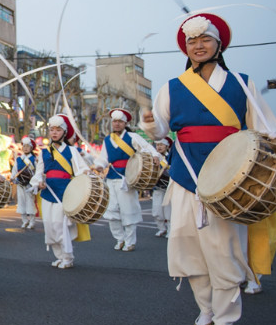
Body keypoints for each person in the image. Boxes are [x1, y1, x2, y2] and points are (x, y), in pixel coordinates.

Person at [140, 12, 276, 325]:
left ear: (219, 45)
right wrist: (149, 123)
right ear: (186, 48)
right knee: (189, 250)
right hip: (185, 177)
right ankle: (205, 311)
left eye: (205, 39)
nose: (198, 45)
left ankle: (225, 321)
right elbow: (160, 131)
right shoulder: (172, 87)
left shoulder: (242, 83)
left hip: (230, 180)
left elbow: (267, 129)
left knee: (225, 251)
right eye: (192, 41)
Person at [93, 108, 161, 252]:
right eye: (114, 121)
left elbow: (146, 147)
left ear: (125, 123)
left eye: (120, 121)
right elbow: (103, 158)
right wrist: (99, 166)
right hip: (112, 176)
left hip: (128, 177)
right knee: (111, 211)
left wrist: (155, 155)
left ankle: (130, 241)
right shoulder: (107, 139)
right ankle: (120, 239)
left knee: (128, 210)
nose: (117, 124)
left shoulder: (132, 136)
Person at [29, 115, 91, 269]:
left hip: (65, 193)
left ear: (64, 132)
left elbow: (81, 170)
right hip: (48, 192)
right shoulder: (44, 152)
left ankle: (68, 257)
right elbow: (38, 173)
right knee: (49, 226)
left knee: (60, 226)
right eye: (52, 130)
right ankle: (60, 256)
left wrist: (85, 175)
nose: (54, 133)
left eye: (58, 130)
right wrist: (38, 182)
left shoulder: (72, 151)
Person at [12, 136, 38, 230]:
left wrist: (34, 183)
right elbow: (15, 170)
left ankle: (32, 221)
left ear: (31, 148)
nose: (26, 148)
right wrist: (14, 178)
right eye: (24, 146)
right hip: (20, 183)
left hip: (30, 184)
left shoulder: (34, 159)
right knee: (21, 202)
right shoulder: (18, 159)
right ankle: (24, 221)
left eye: (28, 146)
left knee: (30, 202)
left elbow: (37, 172)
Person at [151, 137, 174, 238]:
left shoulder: (171, 157)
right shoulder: (154, 157)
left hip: (168, 188)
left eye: (161, 145)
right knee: (157, 211)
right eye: (157, 145)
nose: (159, 147)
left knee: (168, 211)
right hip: (158, 187)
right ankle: (161, 228)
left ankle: (170, 229)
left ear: (167, 146)